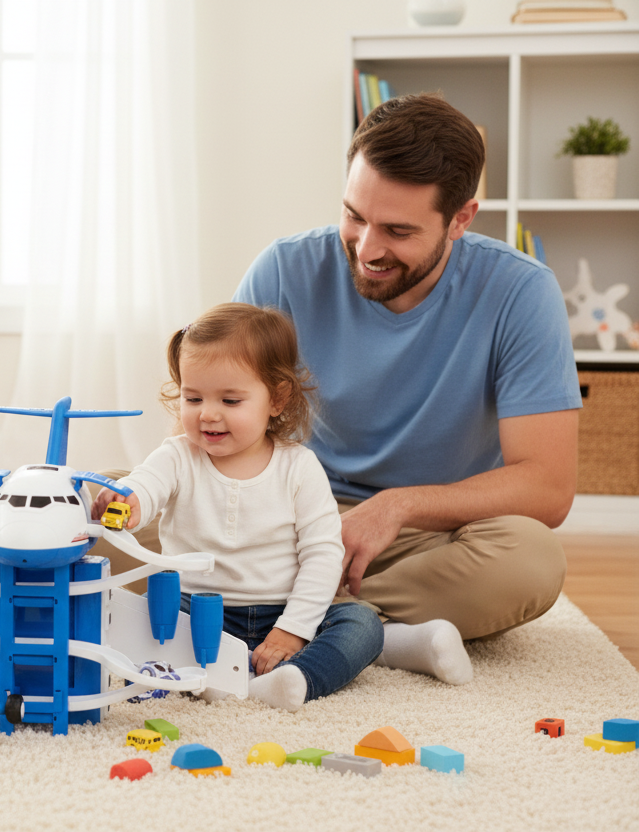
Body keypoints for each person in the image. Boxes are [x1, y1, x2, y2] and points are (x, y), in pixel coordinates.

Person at [233, 92, 581, 685]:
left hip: (426, 537)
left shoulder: (521, 293)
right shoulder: (285, 269)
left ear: (461, 219)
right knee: (105, 531)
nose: (367, 249)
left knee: (531, 562)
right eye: (354, 216)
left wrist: (398, 506)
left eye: (397, 230)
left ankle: (267, 612)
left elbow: (547, 487)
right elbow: (219, 411)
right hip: (292, 519)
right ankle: (378, 635)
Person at [91, 303, 383, 713]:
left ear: (277, 400)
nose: (208, 414)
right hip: (191, 608)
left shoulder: (299, 467)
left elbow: (322, 554)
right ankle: (217, 674)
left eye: (230, 400)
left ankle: (294, 678)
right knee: (133, 619)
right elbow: (146, 484)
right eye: (193, 397)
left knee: (362, 626)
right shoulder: (178, 455)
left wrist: (293, 631)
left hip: (279, 613)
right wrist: (128, 501)